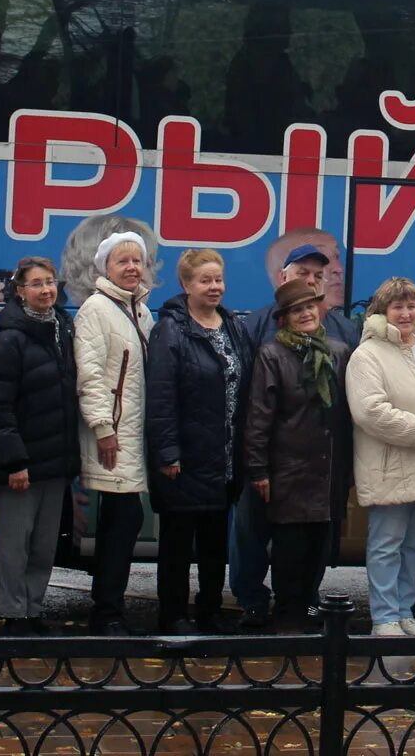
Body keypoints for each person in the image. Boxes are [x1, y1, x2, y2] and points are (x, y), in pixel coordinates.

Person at [146, 248, 255, 636]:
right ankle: (173, 614)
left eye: (218, 280)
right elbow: (160, 397)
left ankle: (209, 609)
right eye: (205, 280)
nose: (214, 287)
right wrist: (168, 452)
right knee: (177, 544)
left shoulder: (233, 327)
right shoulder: (171, 331)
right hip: (185, 459)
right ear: (186, 285)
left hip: (224, 457)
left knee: (214, 543)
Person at [245, 279, 353, 634]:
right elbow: (259, 416)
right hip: (289, 469)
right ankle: (288, 618)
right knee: (290, 550)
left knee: (319, 550)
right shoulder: (271, 354)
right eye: (297, 310)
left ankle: (308, 611)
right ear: (285, 318)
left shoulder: (338, 352)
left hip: (328, 469)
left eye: (310, 307)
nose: (306, 314)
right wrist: (258, 469)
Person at [347, 276, 415, 637]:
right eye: (397, 307)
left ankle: (405, 613)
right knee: (386, 545)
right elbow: (369, 412)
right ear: (382, 311)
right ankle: (384, 618)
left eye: (411, 306)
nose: (406, 313)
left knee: (412, 546)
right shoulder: (367, 354)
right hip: (390, 465)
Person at [0, 256, 80, 637]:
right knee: (14, 545)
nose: (46, 290)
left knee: (43, 545)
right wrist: (14, 461)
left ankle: (34, 608)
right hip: (21, 465)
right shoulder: (10, 339)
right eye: (37, 284)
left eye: (50, 282)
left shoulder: (64, 331)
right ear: (20, 292)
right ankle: (13, 613)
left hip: (55, 462)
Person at [73, 230, 156, 636]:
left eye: (137, 260)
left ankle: (109, 607)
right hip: (113, 435)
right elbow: (89, 376)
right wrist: (103, 428)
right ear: (105, 267)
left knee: (124, 520)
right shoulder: (96, 309)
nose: (131, 267)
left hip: (132, 433)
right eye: (122, 261)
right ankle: (106, 613)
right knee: (121, 521)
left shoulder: (140, 311)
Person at [245, 241, 360, 346]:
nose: (311, 281)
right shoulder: (254, 326)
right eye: (303, 273)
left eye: (318, 276)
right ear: (283, 277)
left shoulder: (346, 331)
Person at [60, 214, 161, 311]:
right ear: (95, 269)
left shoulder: (144, 315)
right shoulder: (93, 312)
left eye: (143, 262)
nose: (135, 270)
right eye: (123, 261)